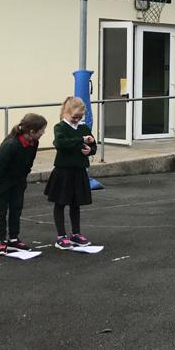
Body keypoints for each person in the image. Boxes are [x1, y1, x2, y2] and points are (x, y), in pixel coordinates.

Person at [44, 97, 98, 250]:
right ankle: (61, 236)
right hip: (63, 171)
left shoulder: (84, 128)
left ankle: (76, 233)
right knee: (60, 203)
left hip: (79, 171)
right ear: (65, 113)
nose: (77, 120)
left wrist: (90, 150)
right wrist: (80, 139)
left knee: (76, 203)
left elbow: (93, 145)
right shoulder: (60, 127)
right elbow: (60, 143)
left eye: (80, 117)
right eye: (74, 117)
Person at [0, 113, 47, 255]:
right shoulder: (11, 145)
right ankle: (1, 240)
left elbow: (29, 162)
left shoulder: (34, 143)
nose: (43, 133)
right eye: (42, 131)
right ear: (32, 132)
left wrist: (23, 177)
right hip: (3, 182)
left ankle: (14, 239)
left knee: (16, 209)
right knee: (0, 211)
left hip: (19, 181)